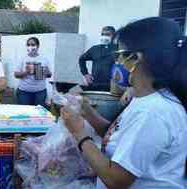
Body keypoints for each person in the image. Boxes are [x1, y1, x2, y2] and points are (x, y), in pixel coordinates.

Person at [61, 17, 187, 189]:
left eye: (120, 56)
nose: (117, 63)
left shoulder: (154, 112)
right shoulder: (146, 100)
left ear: (136, 58)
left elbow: (116, 179)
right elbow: (117, 136)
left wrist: (79, 134)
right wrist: (88, 112)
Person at [14, 37, 52, 107]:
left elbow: (49, 75)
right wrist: (26, 72)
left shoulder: (44, 59)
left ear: (38, 46)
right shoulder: (22, 58)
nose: (30, 47)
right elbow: (16, 75)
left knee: (38, 114)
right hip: (24, 92)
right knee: (25, 113)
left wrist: (44, 71)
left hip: (40, 92)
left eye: (33, 44)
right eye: (28, 45)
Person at [79, 26, 117, 91]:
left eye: (107, 34)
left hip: (112, 86)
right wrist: (85, 74)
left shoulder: (118, 49)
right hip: (95, 84)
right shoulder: (95, 49)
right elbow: (81, 59)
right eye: (103, 34)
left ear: (114, 36)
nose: (104, 36)